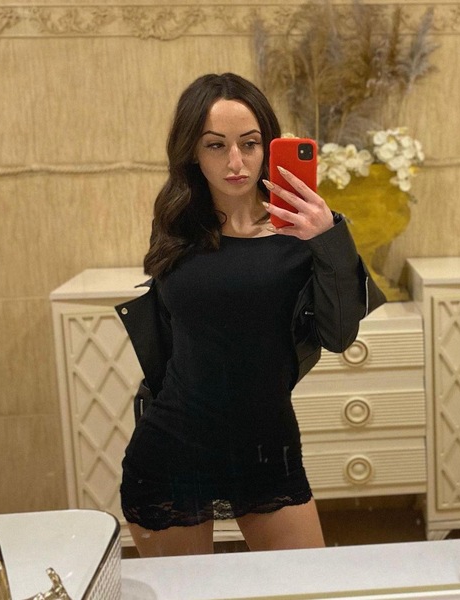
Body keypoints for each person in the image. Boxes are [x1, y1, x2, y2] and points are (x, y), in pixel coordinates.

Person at [116, 72, 386, 557]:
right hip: (173, 449)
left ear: (269, 145)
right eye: (216, 145)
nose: (235, 162)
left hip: (268, 449)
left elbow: (339, 334)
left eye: (249, 143)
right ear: (193, 153)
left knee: (307, 587)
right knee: (189, 594)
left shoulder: (304, 232)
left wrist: (330, 236)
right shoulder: (177, 228)